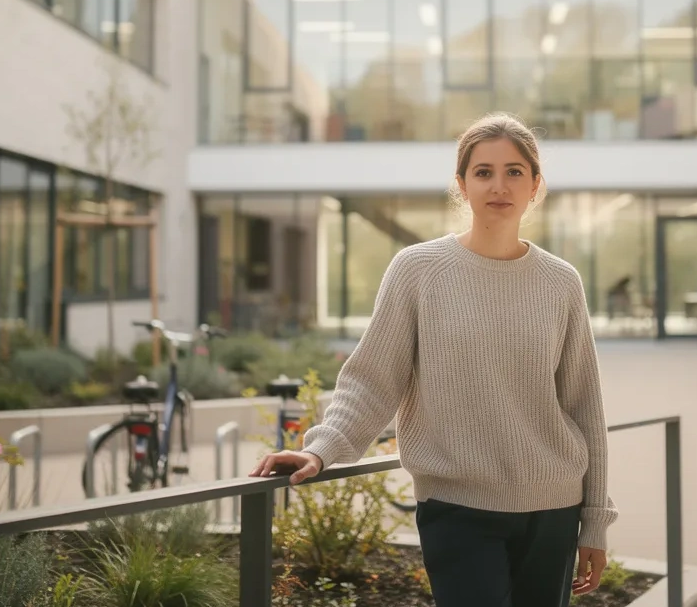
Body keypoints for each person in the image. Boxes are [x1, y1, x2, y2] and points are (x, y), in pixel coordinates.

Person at [250, 112, 617, 607]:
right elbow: (372, 380)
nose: (498, 185)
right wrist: (321, 448)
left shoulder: (561, 281)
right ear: (462, 185)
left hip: (553, 509)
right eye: (483, 171)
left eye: (514, 171)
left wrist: (594, 520)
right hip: (456, 508)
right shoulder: (418, 270)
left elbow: (584, 407)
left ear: (535, 186)